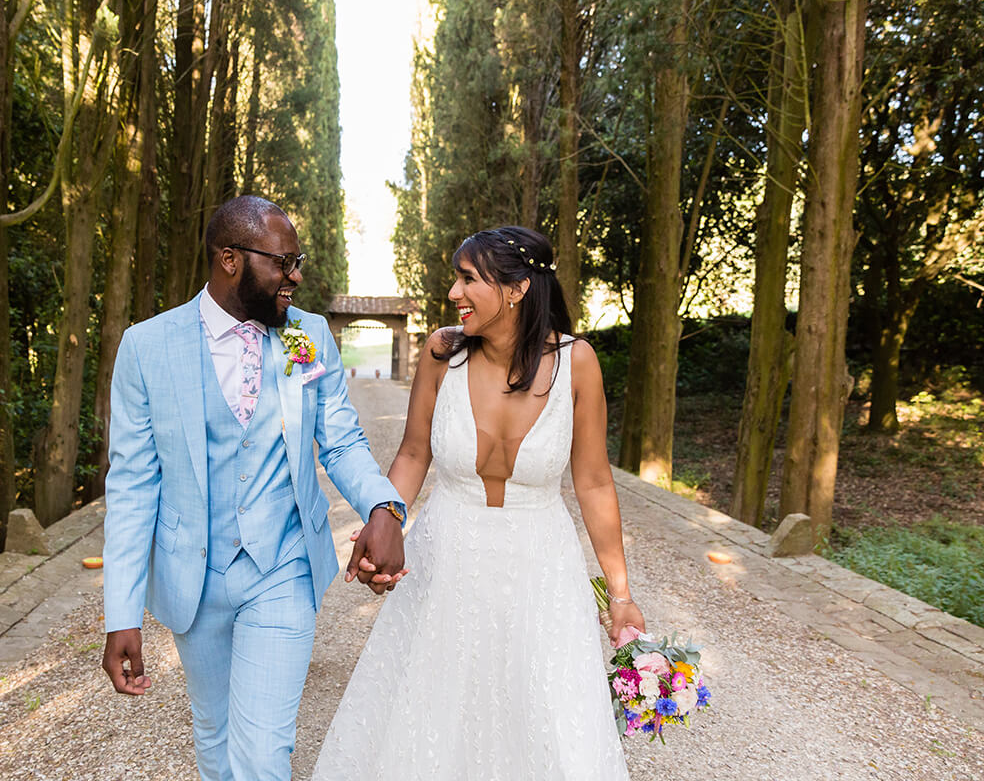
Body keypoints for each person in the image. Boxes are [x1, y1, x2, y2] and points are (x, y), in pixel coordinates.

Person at [312, 226, 643, 779]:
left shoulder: (578, 362)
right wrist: (386, 518)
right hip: (447, 560)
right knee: (433, 704)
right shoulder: (443, 353)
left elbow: (593, 481)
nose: (453, 293)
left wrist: (621, 594)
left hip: (542, 568)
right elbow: (414, 454)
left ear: (516, 289)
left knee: (541, 706)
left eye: (469, 279)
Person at [101, 195, 409, 781]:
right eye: (284, 263)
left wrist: (382, 504)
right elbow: (134, 486)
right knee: (215, 737)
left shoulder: (305, 337)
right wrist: (123, 612)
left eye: (299, 261)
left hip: (282, 569)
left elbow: (340, 440)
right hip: (195, 577)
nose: (296, 276)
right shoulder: (147, 347)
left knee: (264, 751)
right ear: (229, 260)